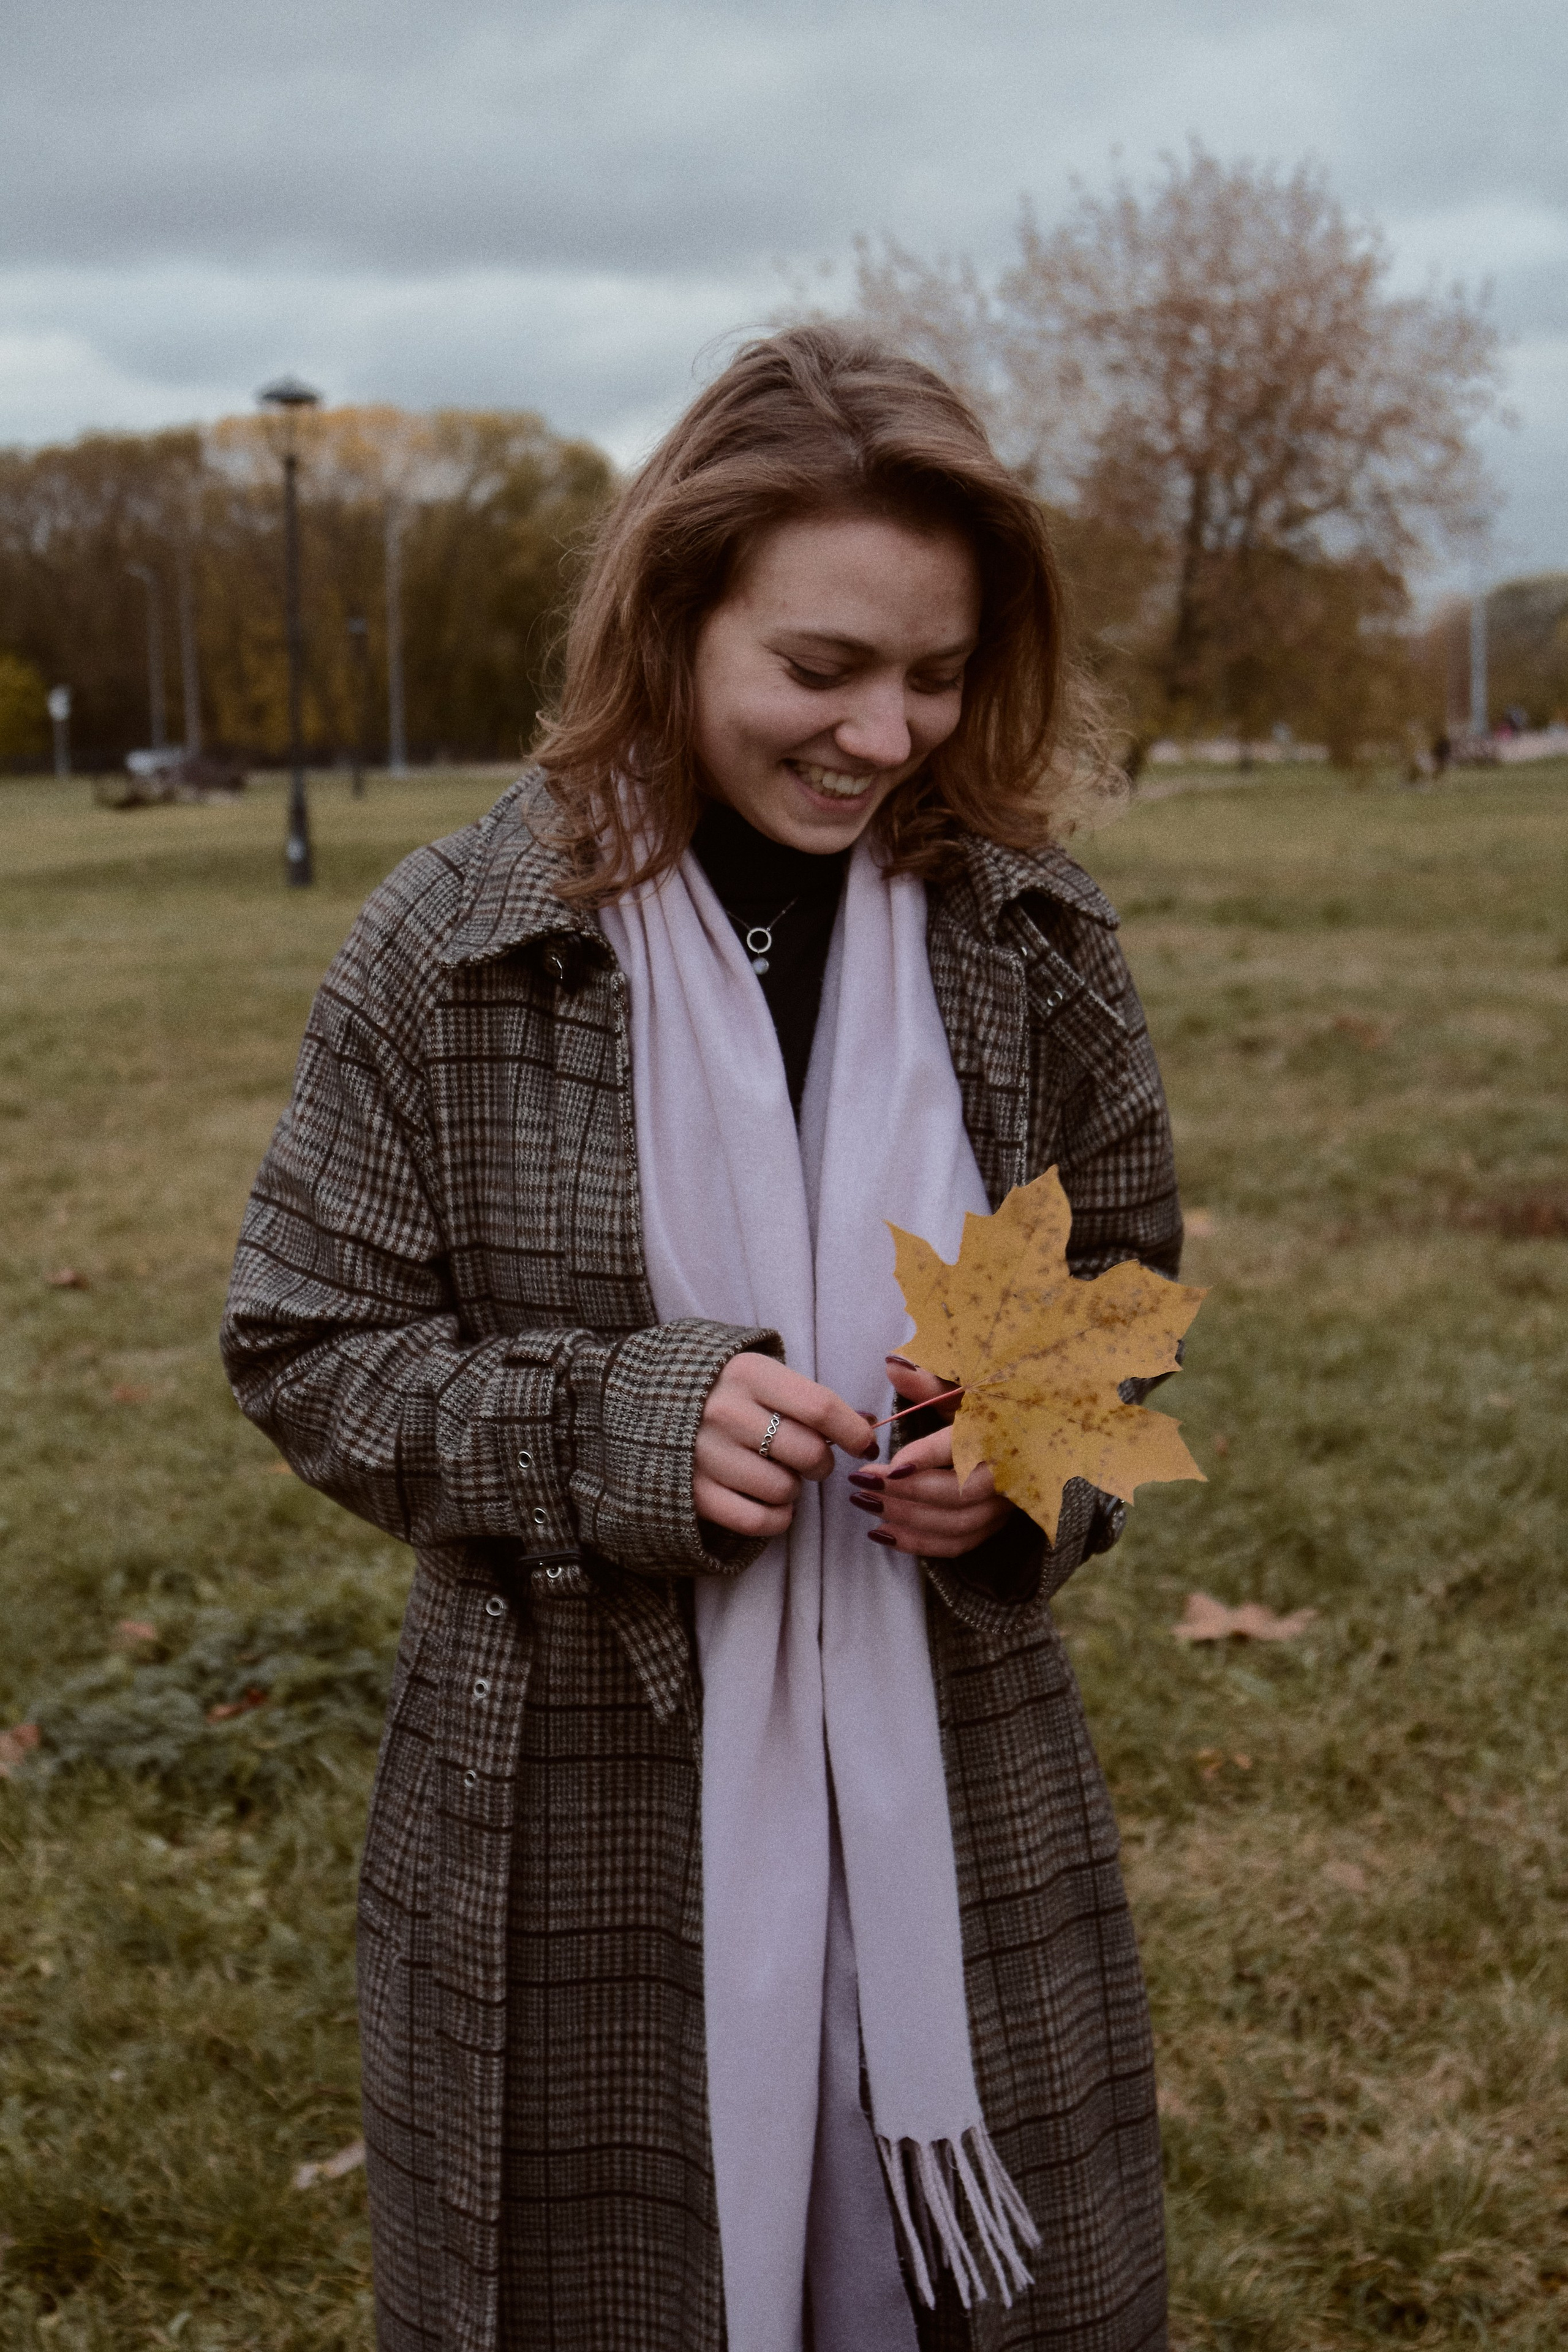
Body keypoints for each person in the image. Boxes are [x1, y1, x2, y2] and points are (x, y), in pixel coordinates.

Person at [222, 324, 1181, 2352]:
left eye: (936, 673)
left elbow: (1115, 1304)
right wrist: (623, 1428)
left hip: (963, 1789)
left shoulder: (1031, 937)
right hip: (569, 1812)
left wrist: (1010, 1450)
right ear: (669, 621)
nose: (882, 732)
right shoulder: (457, 944)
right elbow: (308, 1340)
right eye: (821, 667)